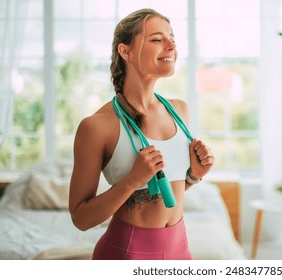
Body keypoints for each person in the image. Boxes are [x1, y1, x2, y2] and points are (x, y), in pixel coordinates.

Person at [69, 8, 214, 260]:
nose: (171, 46)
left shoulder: (179, 111)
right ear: (126, 52)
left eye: (172, 39)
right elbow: (81, 218)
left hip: (180, 249)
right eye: (157, 39)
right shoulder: (97, 126)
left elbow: (161, 196)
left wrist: (193, 176)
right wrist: (132, 180)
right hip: (127, 252)